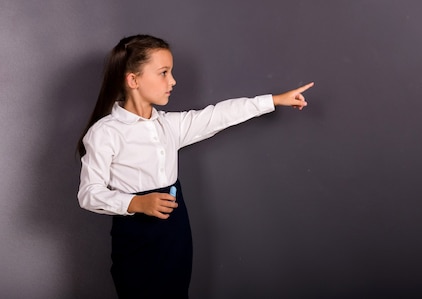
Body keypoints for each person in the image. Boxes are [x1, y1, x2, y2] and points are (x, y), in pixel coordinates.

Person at [77, 34, 313, 298]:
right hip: (136, 235)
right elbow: (89, 193)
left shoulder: (169, 125)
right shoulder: (105, 133)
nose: (173, 81)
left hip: (175, 230)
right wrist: (136, 203)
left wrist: (274, 100)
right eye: (164, 73)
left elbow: (219, 115)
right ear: (133, 80)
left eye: (171, 72)